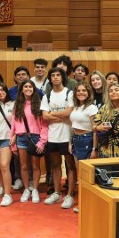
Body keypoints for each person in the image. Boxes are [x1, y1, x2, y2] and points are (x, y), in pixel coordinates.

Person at [41, 68, 75, 208]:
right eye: (53, 75)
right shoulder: (46, 96)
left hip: (66, 135)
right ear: (50, 78)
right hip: (52, 136)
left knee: (70, 165)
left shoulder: (69, 93)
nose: (55, 78)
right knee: (55, 164)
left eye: (58, 75)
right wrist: (61, 116)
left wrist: (53, 115)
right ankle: (56, 192)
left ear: (62, 78)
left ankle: (70, 195)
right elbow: (44, 116)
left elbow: (70, 112)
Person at [10, 79, 47, 204]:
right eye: (25, 87)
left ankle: (35, 189)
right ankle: (26, 189)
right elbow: (14, 124)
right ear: (21, 90)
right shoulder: (18, 105)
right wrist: (13, 140)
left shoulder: (39, 104)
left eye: (30, 87)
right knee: (23, 166)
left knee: (35, 166)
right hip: (21, 137)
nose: (28, 89)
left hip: (35, 138)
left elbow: (44, 125)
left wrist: (42, 141)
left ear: (34, 89)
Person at [69, 82, 97, 213]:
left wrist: (94, 149)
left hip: (87, 140)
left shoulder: (92, 108)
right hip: (76, 140)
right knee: (80, 175)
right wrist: (70, 142)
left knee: (86, 176)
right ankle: (82, 202)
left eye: (84, 91)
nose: (81, 93)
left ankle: (86, 204)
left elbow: (96, 129)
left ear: (89, 93)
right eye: (79, 91)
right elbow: (72, 125)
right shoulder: (76, 107)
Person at [92, 83, 119, 158]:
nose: (113, 92)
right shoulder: (103, 108)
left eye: (116, 90)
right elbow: (93, 126)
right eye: (110, 91)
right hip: (104, 151)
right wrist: (98, 128)